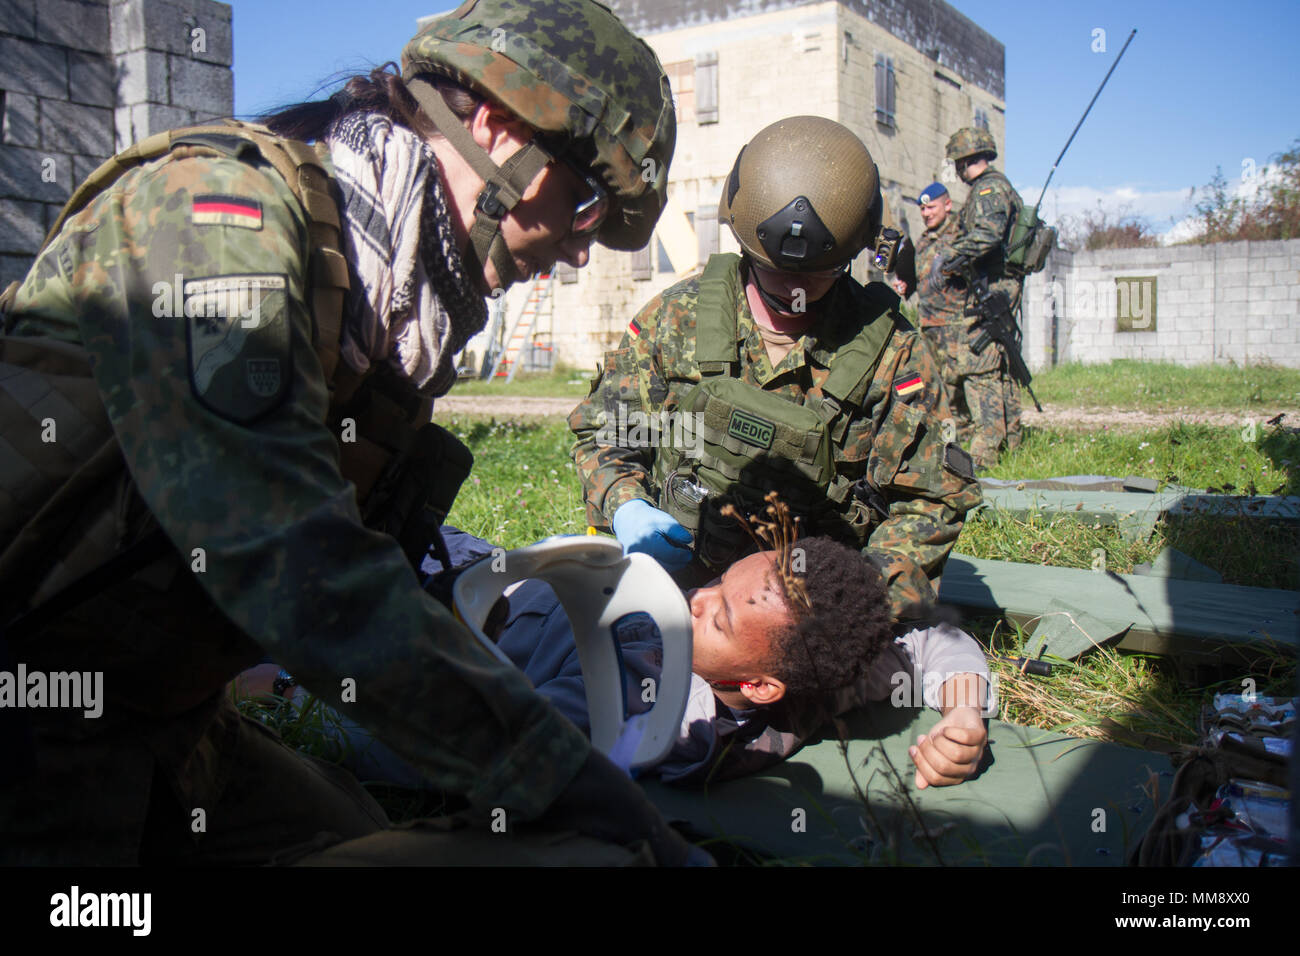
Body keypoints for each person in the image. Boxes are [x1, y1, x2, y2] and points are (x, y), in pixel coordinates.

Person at [0, 0, 691, 866]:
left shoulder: (383, 317)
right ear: (496, 126)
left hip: (156, 720)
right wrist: (556, 772)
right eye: (584, 201)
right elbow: (287, 550)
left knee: (365, 832)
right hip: (30, 711)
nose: (581, 249)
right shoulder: (217, 215)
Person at [569, 116, 982, 622]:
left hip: (816, 615)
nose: (793, 291)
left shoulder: (894, 354)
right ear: (743, 242)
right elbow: (605, 433)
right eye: (775, 271)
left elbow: (931, 500)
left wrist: (851, 602)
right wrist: (627, 503)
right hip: (677, 593)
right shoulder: (677, 319)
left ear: (856, 252)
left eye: (817, 275)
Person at [240, 525, 991, 790]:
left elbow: (447, 750)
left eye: (720, 615)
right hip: (483, 570)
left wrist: (281, 693)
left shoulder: (628, 711)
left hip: (411, 613)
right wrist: (963, 715)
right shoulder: (817, 667)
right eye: (721, 583)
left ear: (758, 684)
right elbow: (931, 643)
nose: (697, 597)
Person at [938, 127, 1027, 470]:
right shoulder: (996, 186)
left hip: (994, 288)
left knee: (978, 362)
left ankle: (985, 450)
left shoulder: (989, 188)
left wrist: (951, 255)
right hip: (996, 287)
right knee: (998, 361)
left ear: (965, 160)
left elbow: (988, 235)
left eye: (958, 163)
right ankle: (1011, 441)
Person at [891, 182, 971, 444]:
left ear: (947, 205)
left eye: (931, 207)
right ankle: (938, 438)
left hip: (954, 325)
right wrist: (906, 285)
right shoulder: (924, 240)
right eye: (922, 209)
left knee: (955, 384)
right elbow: (922, 279)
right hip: (927, 325)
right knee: (929, 382)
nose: (926, 214)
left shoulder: (961, 236)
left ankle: (960, 439)